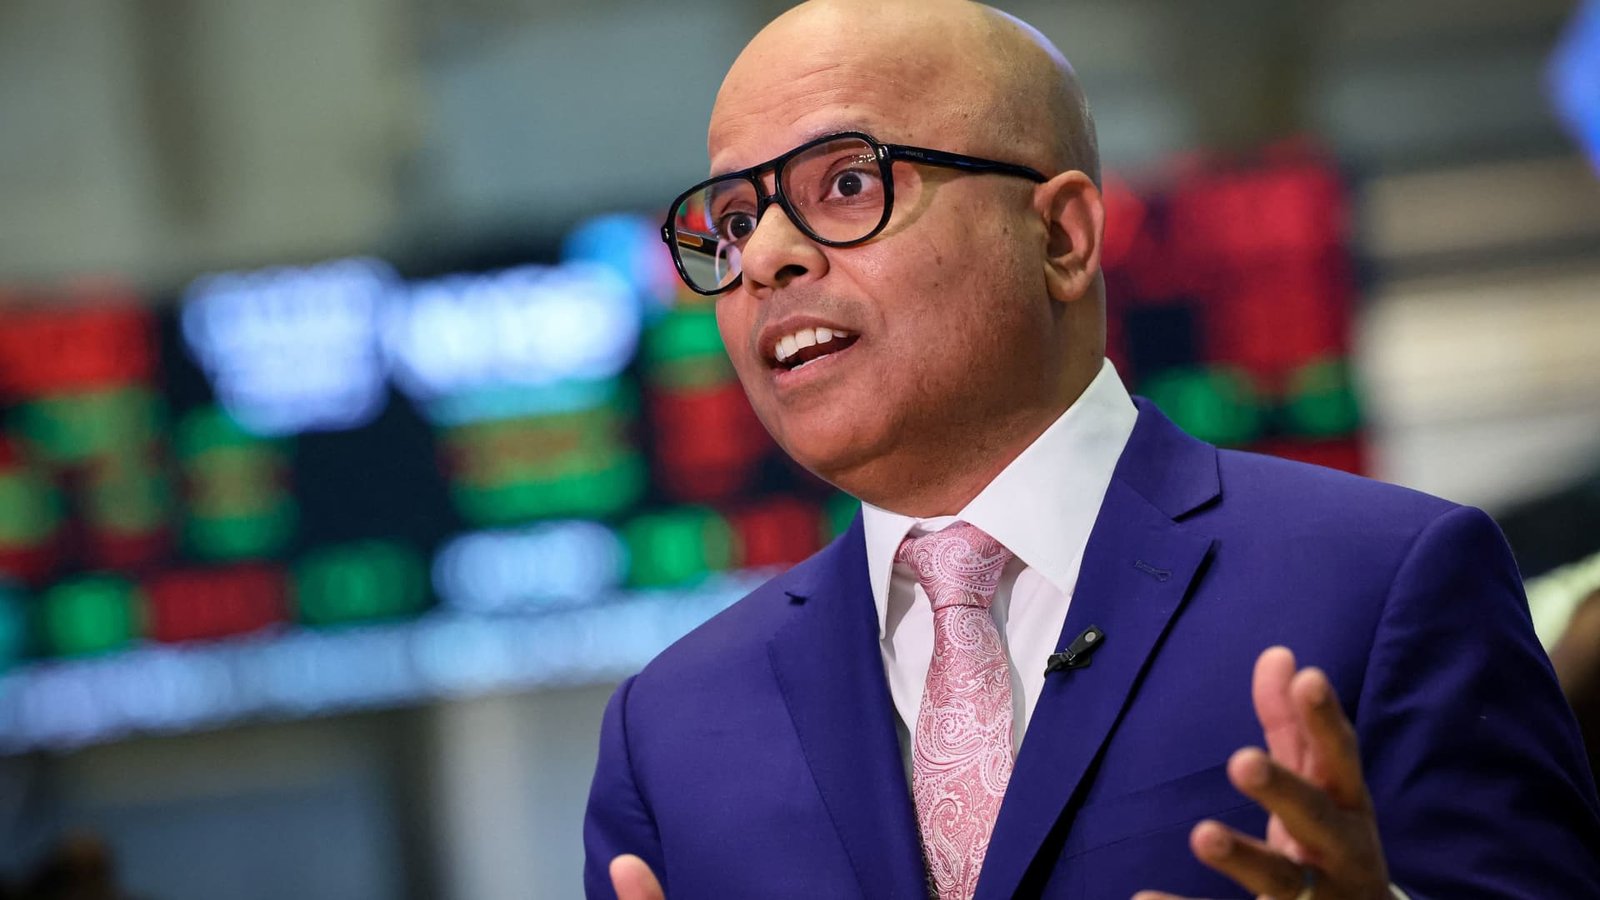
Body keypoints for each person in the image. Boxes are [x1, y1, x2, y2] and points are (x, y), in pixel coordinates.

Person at [584, 1, 1600, 897]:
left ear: (1061, 237)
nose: (763, 257)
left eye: (848, 182)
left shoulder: (1382, 583)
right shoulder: (669, 734)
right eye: (731, 222)